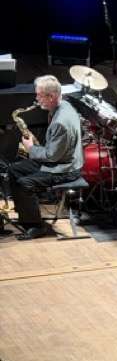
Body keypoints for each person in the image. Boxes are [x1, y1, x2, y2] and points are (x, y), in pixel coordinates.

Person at [2, 75, 83, 240]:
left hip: (65, 168)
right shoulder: (64, 105)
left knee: (25, 183)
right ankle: (26, 216)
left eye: (39, 95)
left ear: (51, 96)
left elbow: (52, 157)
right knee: (13, 169)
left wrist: (31, 148)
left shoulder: (61, 121)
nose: (36, 99)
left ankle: (36, 226)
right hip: (59, 159)